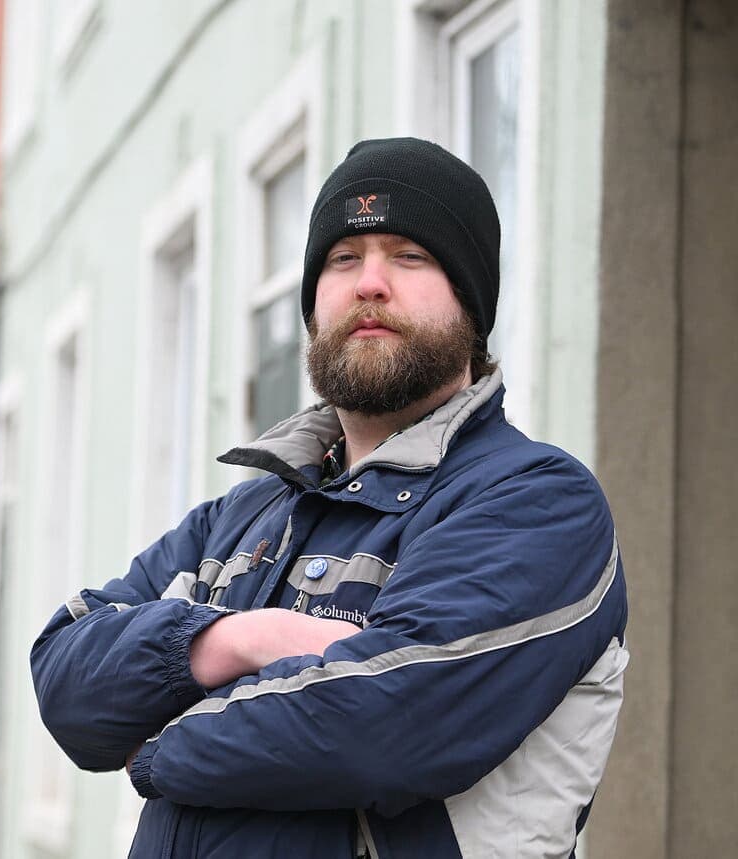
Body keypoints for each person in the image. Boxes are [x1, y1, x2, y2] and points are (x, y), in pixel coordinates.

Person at [31, 137, 628, 858]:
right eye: (343, 258)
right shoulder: (245, 516)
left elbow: (384, 726)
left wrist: (153, 743)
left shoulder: (536, 502)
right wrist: (243, 638)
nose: (369, 283)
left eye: (410, 255)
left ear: (471, 304)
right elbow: (65, 678)